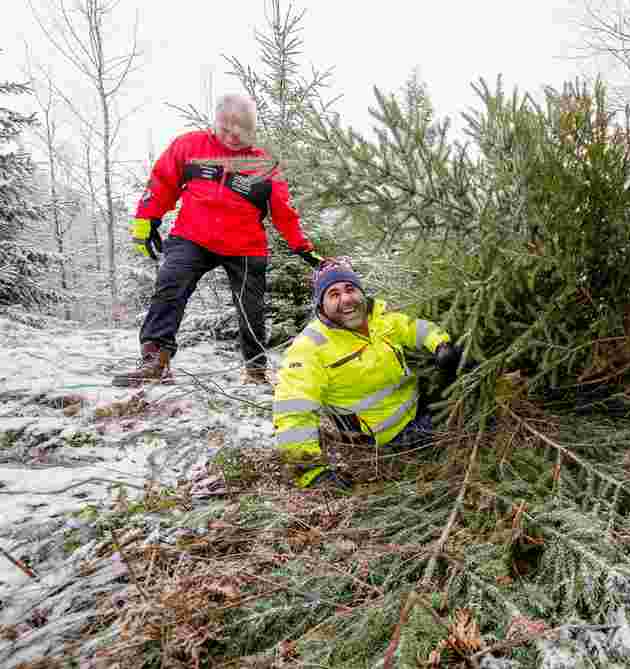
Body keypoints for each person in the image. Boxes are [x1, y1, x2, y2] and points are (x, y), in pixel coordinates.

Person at [113, 94, 325, 387]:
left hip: (245, 246)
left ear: (252, 131)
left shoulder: (264, 165)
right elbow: (162, 181)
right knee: (170, 283)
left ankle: (255, 371)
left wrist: (303, 248)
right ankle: (155, 361)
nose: (231, 136)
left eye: (240, 131)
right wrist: (146, 219)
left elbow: (284, 213)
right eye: (225, 129)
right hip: (192, 235)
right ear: (216, 123)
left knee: (252, 307)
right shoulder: (189, 146)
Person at [273, 261, 464, 488]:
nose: (346, 299)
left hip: (417, 407)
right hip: (385, 440)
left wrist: (440, 345)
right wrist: (309, 472)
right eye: (334, 294)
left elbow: (414, 327)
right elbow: (293, 408)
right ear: (321, 306)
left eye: (350, 289)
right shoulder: (309, 348)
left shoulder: (378, 317)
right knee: (469, 423)